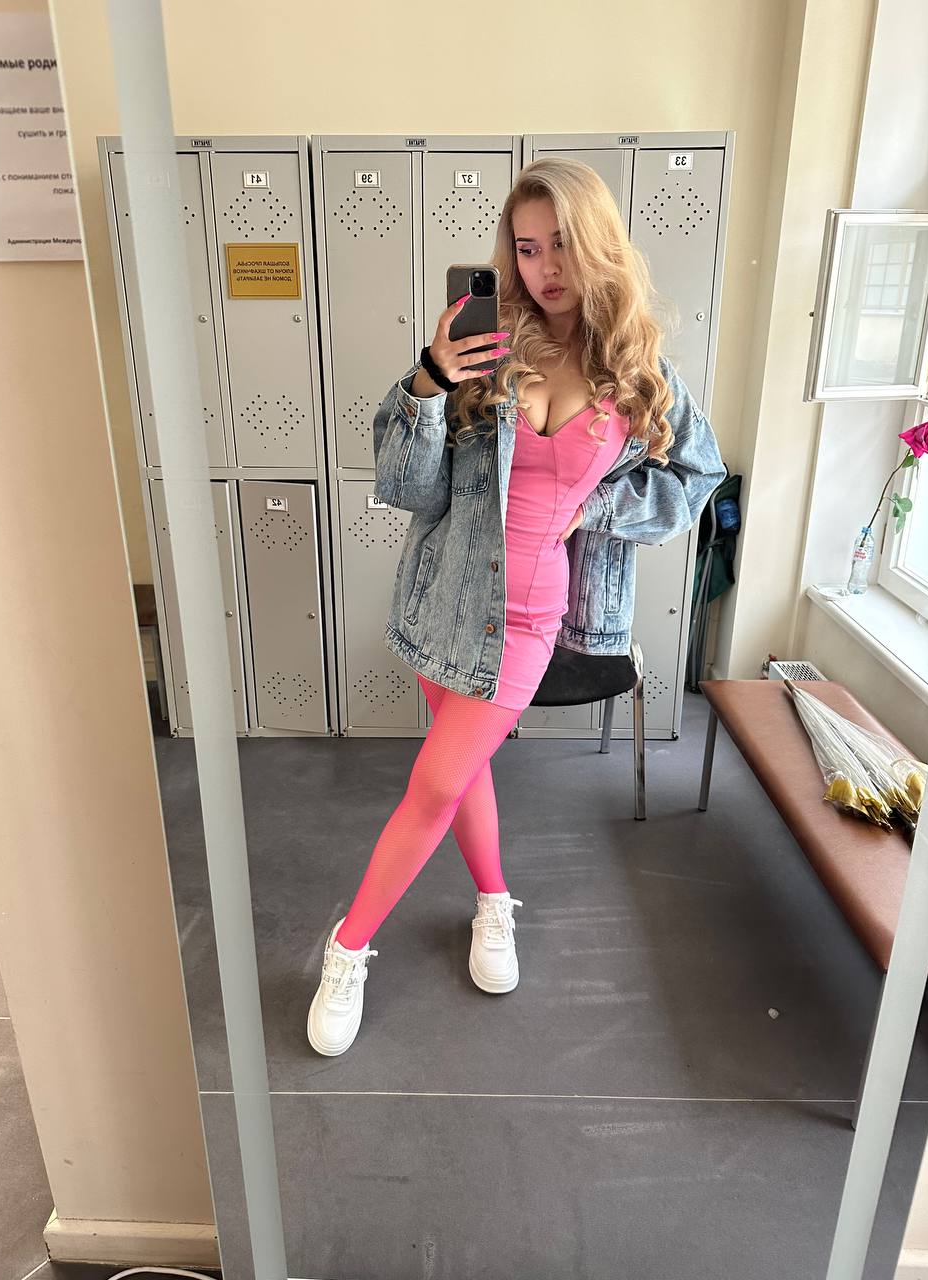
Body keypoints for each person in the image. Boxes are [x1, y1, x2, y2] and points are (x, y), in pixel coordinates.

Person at [307, 157, 727, 1056]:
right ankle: (493, 904)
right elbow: (409, 489)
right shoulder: (490, 350)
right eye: (527, 249)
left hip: (532, 618)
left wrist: (600, 506)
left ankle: (347, 949)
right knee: (461, 773)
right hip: (445, 596)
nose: (545, 268)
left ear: (599, 243)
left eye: (562, 244)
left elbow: (696, 477)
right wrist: (428, 380)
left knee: (435, 781)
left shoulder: (637, 369)